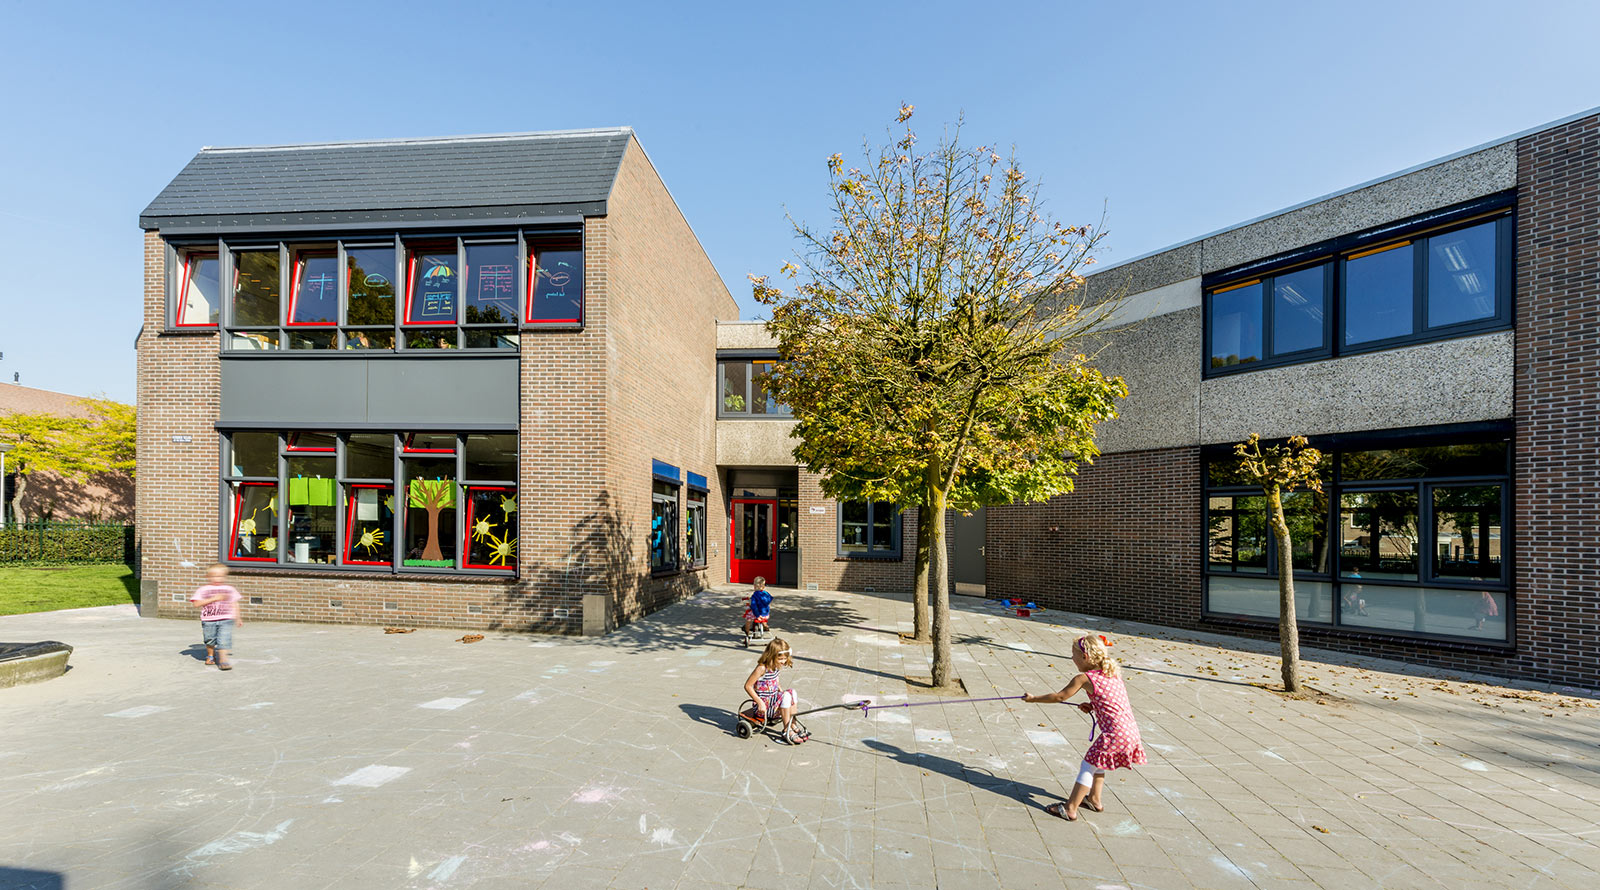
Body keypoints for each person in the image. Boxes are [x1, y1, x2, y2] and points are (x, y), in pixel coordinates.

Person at [1023, 633, 1145, 821]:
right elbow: (1112, 702)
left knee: (1087, 765)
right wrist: (1093, 705)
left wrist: (1033, 699)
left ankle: (1070, 808)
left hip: (1114, 734)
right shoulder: (1111, 674)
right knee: (1098, 762)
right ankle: (1094, 799)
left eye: (1074, 655)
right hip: (1130, 731)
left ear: (1085, 657)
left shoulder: (1083, 678)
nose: (1072, 658)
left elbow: (1060, 696)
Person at [743, 637, 808, 744]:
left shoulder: (776, 666)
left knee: (792, 692)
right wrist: (759, 703)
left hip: (773, 704)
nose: (783, 661)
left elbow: (775, 681)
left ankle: (793, 724)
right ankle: (786, 730)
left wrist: (782, 692)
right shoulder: (762, 668)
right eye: (780, 659)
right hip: (763, 708)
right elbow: (747, 686)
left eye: (785, 658)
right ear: (771, 656)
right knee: (786, 695)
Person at [189, 564, 243, 670]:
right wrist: (213, 599)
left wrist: (238, 617)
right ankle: (210, 655)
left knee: (224, 639)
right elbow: (196, 604)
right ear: (208, 577)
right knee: (210, 640)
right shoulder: (203, 589)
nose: (218, 579)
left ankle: (223, 660)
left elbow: (235, 603)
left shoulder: (229, 589)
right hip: (209, 620)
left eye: (221, 576)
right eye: (214, 576)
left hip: (226, 618)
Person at [741, 576, 773, 647]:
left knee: (748, 618)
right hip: (765, 614)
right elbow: (770, 600)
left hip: (757, 614)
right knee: (764, 616)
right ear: (763, 586)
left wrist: (757, 615)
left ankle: (747, 632)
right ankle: (765, 625)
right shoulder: (766, 594)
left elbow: (754, 606)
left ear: (755, 586)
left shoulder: (755, 595)